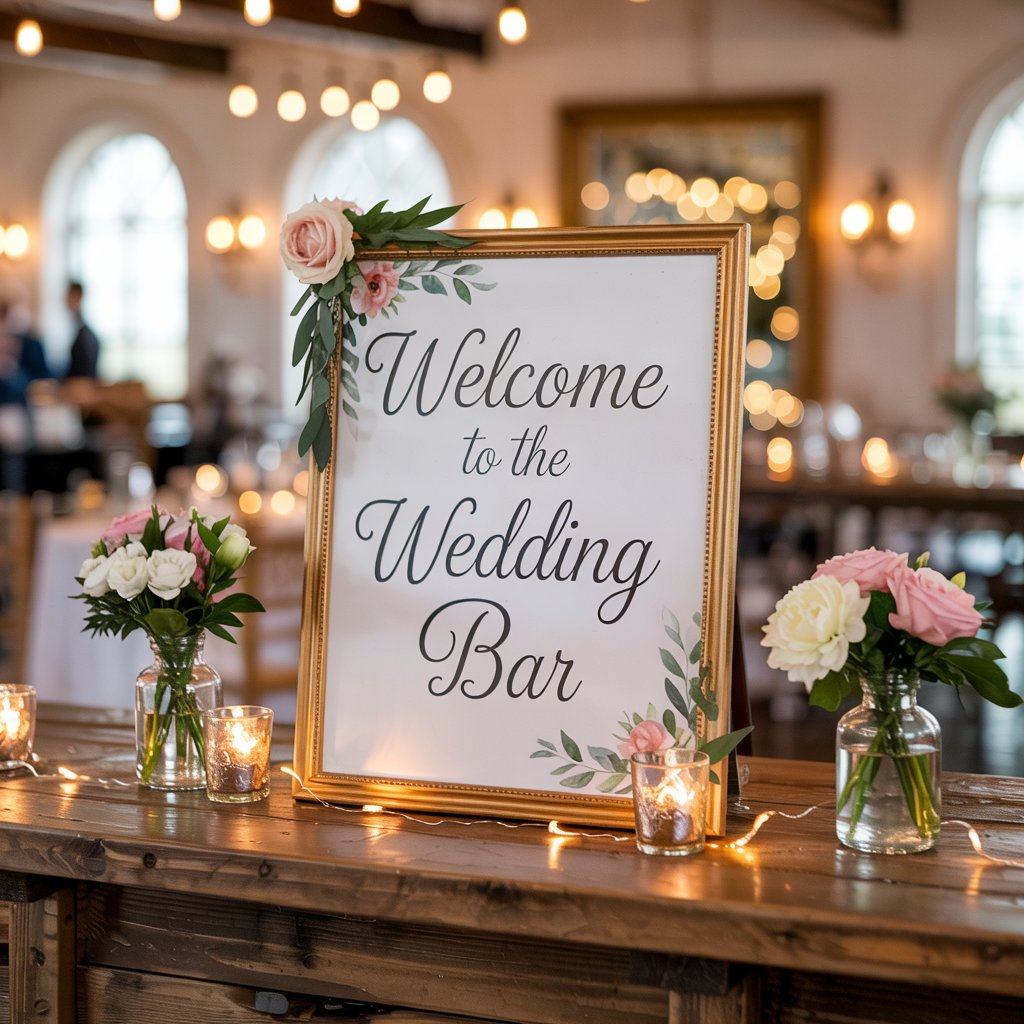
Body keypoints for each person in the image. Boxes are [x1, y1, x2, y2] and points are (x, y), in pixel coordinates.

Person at [64, 280, 100, 379]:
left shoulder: (84, 335)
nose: (65, 300)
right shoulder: (79, 329)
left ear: (77, 297)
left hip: (81, 385)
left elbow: (84, 371)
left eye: (69, 296)